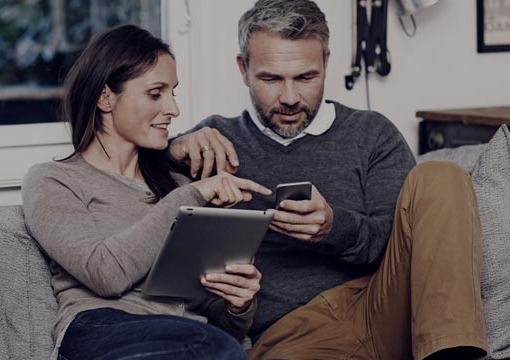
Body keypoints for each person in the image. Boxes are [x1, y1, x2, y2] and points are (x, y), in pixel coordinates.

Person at [167, 1, 487, 359]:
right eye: (271, 78)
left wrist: (334, 227)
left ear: (326, 64)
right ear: (243, 69)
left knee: (441, 175)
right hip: (292, 334)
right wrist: (170, 148)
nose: (289, 98)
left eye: (306, 77)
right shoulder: (211, 143)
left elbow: (397, 241)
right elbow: (120, 177)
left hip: (379, 306)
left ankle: (452, 354)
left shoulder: (372, 134)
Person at [22, 25, 273, 360]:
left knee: (213, 346)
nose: (173, 110)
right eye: (156, 93)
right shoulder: (54, 181)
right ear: (105, 97)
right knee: (207, 347)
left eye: (173, 93)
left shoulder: (176, 186)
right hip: (100, 329)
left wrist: (238, 304)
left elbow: (210, 323)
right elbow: (105, 273)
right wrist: (192, 197)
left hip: (185, 339)